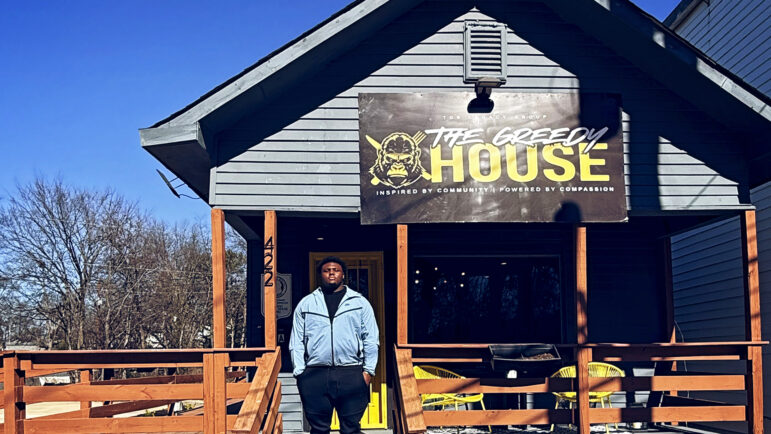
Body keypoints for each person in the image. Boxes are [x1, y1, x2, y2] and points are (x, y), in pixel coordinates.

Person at [289, 256, 379, 434]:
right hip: (315, 373)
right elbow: (296, 340)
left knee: (351, 428)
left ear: (343, 275)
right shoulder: (306, 304)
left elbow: (371, 339)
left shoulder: (360, 303)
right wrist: (300, 372)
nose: (331, 273)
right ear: (320, 275)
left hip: (351, 373)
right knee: (319, 428)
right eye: (326, 270)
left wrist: (368, 372)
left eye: (335, 270)